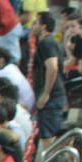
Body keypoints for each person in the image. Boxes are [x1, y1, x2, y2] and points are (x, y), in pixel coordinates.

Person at [32, 12, 66, 148]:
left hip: (51, 98)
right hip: (54, 96)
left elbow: (52, 67)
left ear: (43, 26)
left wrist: (46, 93)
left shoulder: (46, 43)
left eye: (36, 23)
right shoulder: (51, 42)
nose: (33, 26)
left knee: (49, 140)